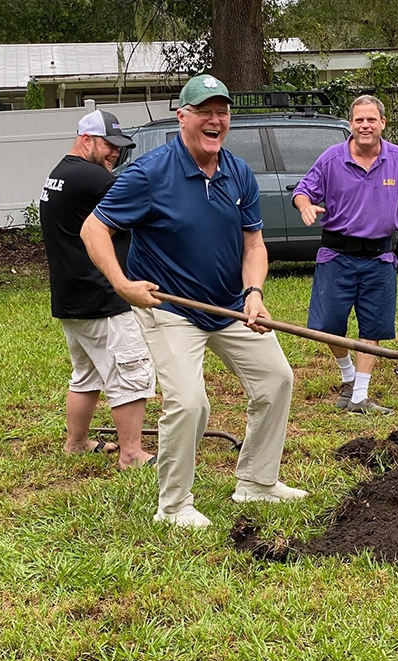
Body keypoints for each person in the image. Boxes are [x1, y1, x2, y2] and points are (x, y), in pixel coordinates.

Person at [80, 74, 308, 528]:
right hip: (171, 309)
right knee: (190, 403)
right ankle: (174, 506)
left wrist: (255, 294)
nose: (214, 119)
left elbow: (253, 246)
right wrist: (123, 284)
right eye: (204, 110)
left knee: (277, 379)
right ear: (182, 116)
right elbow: (94, 228)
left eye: (221, 111)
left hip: (228, 305)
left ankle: (257, 483)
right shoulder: (150, 173)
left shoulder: (237, 172)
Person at [292, 94, 398, 414]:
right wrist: (305, 205)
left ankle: (359, 396)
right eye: (359, 119)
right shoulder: (332, 158)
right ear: (350, 123)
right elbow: (303, 190)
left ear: (382, 123)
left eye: (371, 119)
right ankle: (347, 375)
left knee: (372, 329)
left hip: (378, 258)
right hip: (336, 255)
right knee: (328, 326)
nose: (365, 125)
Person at [39, 109, 156, 470]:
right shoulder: (92, 179)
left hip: (71, 296)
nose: (115, 155)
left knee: (86, 374)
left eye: (120, 148)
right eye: (109, 146)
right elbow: (143, 209)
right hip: (102, 296)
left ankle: (76, 443)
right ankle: (132, 453)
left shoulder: (59, 173)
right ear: (86, 139)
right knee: (130, 372)